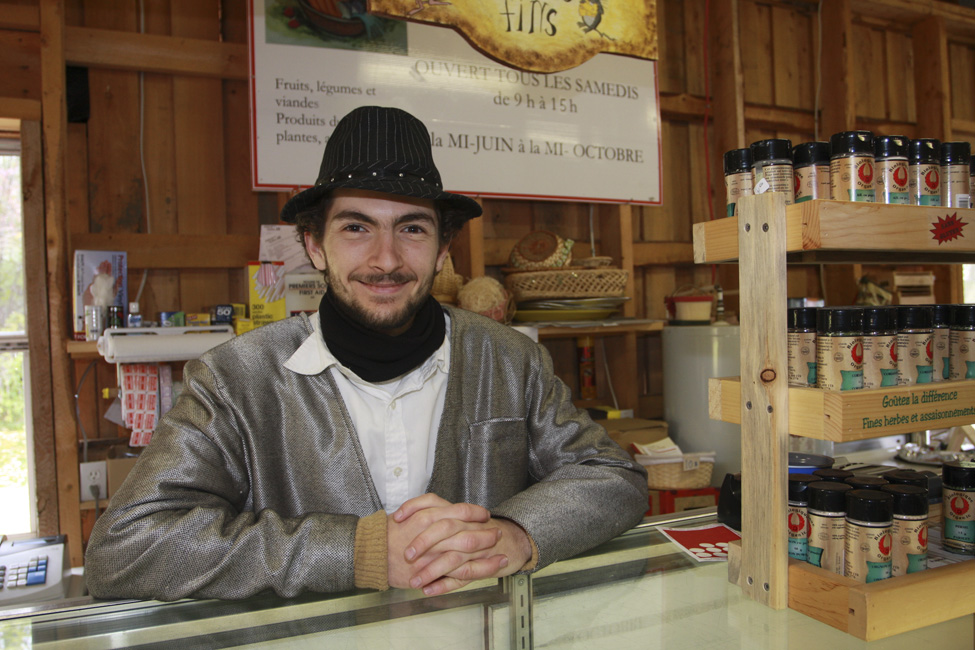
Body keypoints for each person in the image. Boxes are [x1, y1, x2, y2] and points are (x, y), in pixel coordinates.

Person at [85, 106, 648, 601]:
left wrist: (517, 532)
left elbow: (612, 478)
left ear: (443, 248)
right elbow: (124, 551)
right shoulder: (236, 378)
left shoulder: (508, 358)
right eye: (356, 227)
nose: (386, 259)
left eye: (412, 229)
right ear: (314, 245)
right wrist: (359, 552)